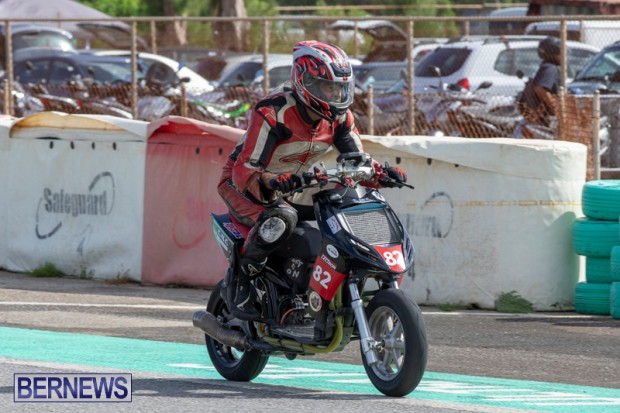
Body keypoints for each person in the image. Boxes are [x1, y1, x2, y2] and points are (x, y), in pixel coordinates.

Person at [217, 40, 408, 320]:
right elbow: (245, 169)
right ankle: (242, 280)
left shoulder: (340, 118)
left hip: (294, 184)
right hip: (244, 186)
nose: (335, 94)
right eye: (327, 87)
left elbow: (357, 162)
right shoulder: (273, 111)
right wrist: (272, 181)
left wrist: (381, 174)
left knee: (347, 201)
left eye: (340, 87)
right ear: (305, 81)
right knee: (282, 217)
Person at [518, 36, 561, 127]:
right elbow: (540, 88)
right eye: (561, 52)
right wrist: (556, 109)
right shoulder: (551, 68)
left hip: (534, 118)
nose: (563, 56)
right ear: (554, 52)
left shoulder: (545, 66)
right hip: (542, 120)